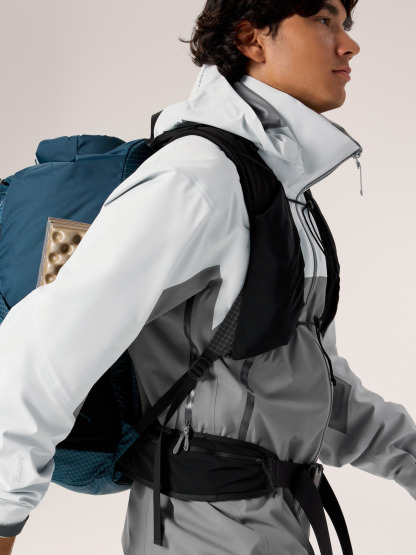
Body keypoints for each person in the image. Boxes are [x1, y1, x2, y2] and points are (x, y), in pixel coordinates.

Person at [0, 0, 415, 553]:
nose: (349, 43)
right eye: (323, 20)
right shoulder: (198, 178)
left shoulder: (275, 189)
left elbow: (312, 393)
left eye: (346, 24)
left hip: (273, 524)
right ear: (251, 38)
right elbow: (43, 351)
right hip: (202, 533)